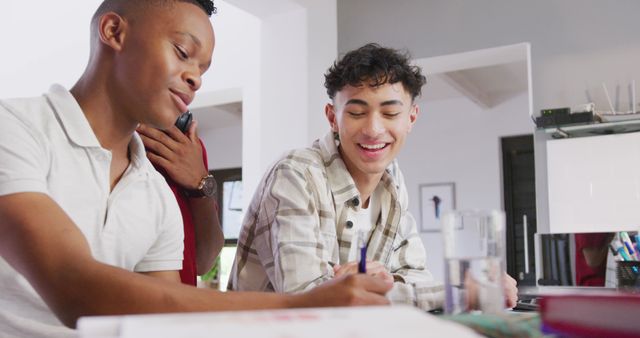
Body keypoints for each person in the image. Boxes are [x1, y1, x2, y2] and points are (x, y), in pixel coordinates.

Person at [0, 1, 391, 337]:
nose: (196, 78)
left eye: (203, 67)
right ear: (114, 30)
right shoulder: (14, 129)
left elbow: (164, 324)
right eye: (183, 52)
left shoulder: (155, 192)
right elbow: (74, 287)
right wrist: (299, 306)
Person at [230, 43, 518, 310]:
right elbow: (309, 297)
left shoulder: (392, 183)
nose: (373, 129)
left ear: (411, 119)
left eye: (390, 113)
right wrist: (459, 291)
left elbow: (416, 276)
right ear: (333, 118)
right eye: (356, 112)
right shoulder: (296, 174)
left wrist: (367, 284)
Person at [137, 120, 223, 285]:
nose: (195, 91)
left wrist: (200, 184)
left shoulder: (187, 147)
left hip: (176, 305)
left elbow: (203, 262)